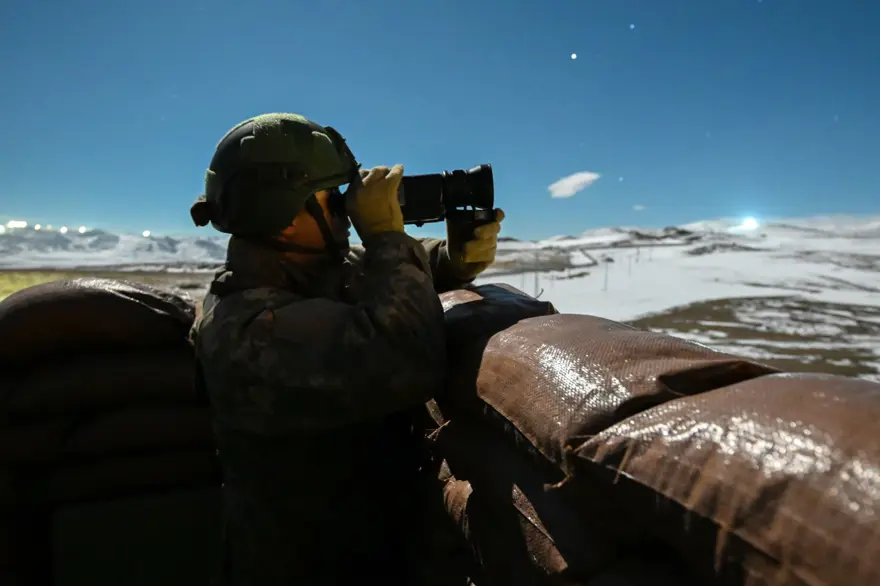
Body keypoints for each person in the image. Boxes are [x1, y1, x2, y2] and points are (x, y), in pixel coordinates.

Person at [188, 112, 504, 585]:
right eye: (333, 198)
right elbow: (408, 357)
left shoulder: (307, 267)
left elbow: (372, 274)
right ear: (283, 215)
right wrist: (385, 236)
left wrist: (452, 259)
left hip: (372, 545)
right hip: (308, 563)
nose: (347, 210)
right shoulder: (246, 329)